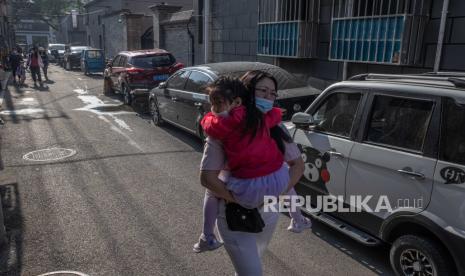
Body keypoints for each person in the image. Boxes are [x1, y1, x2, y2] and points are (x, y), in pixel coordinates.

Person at [199, 71, 306, 275]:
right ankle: (207, 235)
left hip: (268, 212)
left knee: (253, 263)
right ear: (247, 93)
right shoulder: (222, 129)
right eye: (263, 91)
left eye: (272, 93)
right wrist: (238, 200)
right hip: (235, 212)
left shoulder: (274, 125)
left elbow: (297, 166)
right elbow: (207, 178)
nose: (268, 97)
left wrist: (276, 194)